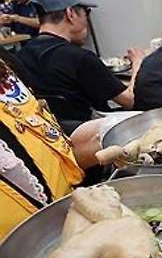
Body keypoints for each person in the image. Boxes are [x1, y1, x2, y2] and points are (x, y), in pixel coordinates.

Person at [0, 56, 111, 239]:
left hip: (70, 217)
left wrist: (111, 131)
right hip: (23, 250)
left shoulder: (6, 63)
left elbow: (47, 136)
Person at [17, 0, 142, 135]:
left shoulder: (20, 57)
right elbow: (130, 101)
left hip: (51, 138)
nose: (86, 20)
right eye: (85, 13)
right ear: (70, 13)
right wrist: (138, 62)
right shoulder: (80, 58)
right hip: (92, 137)